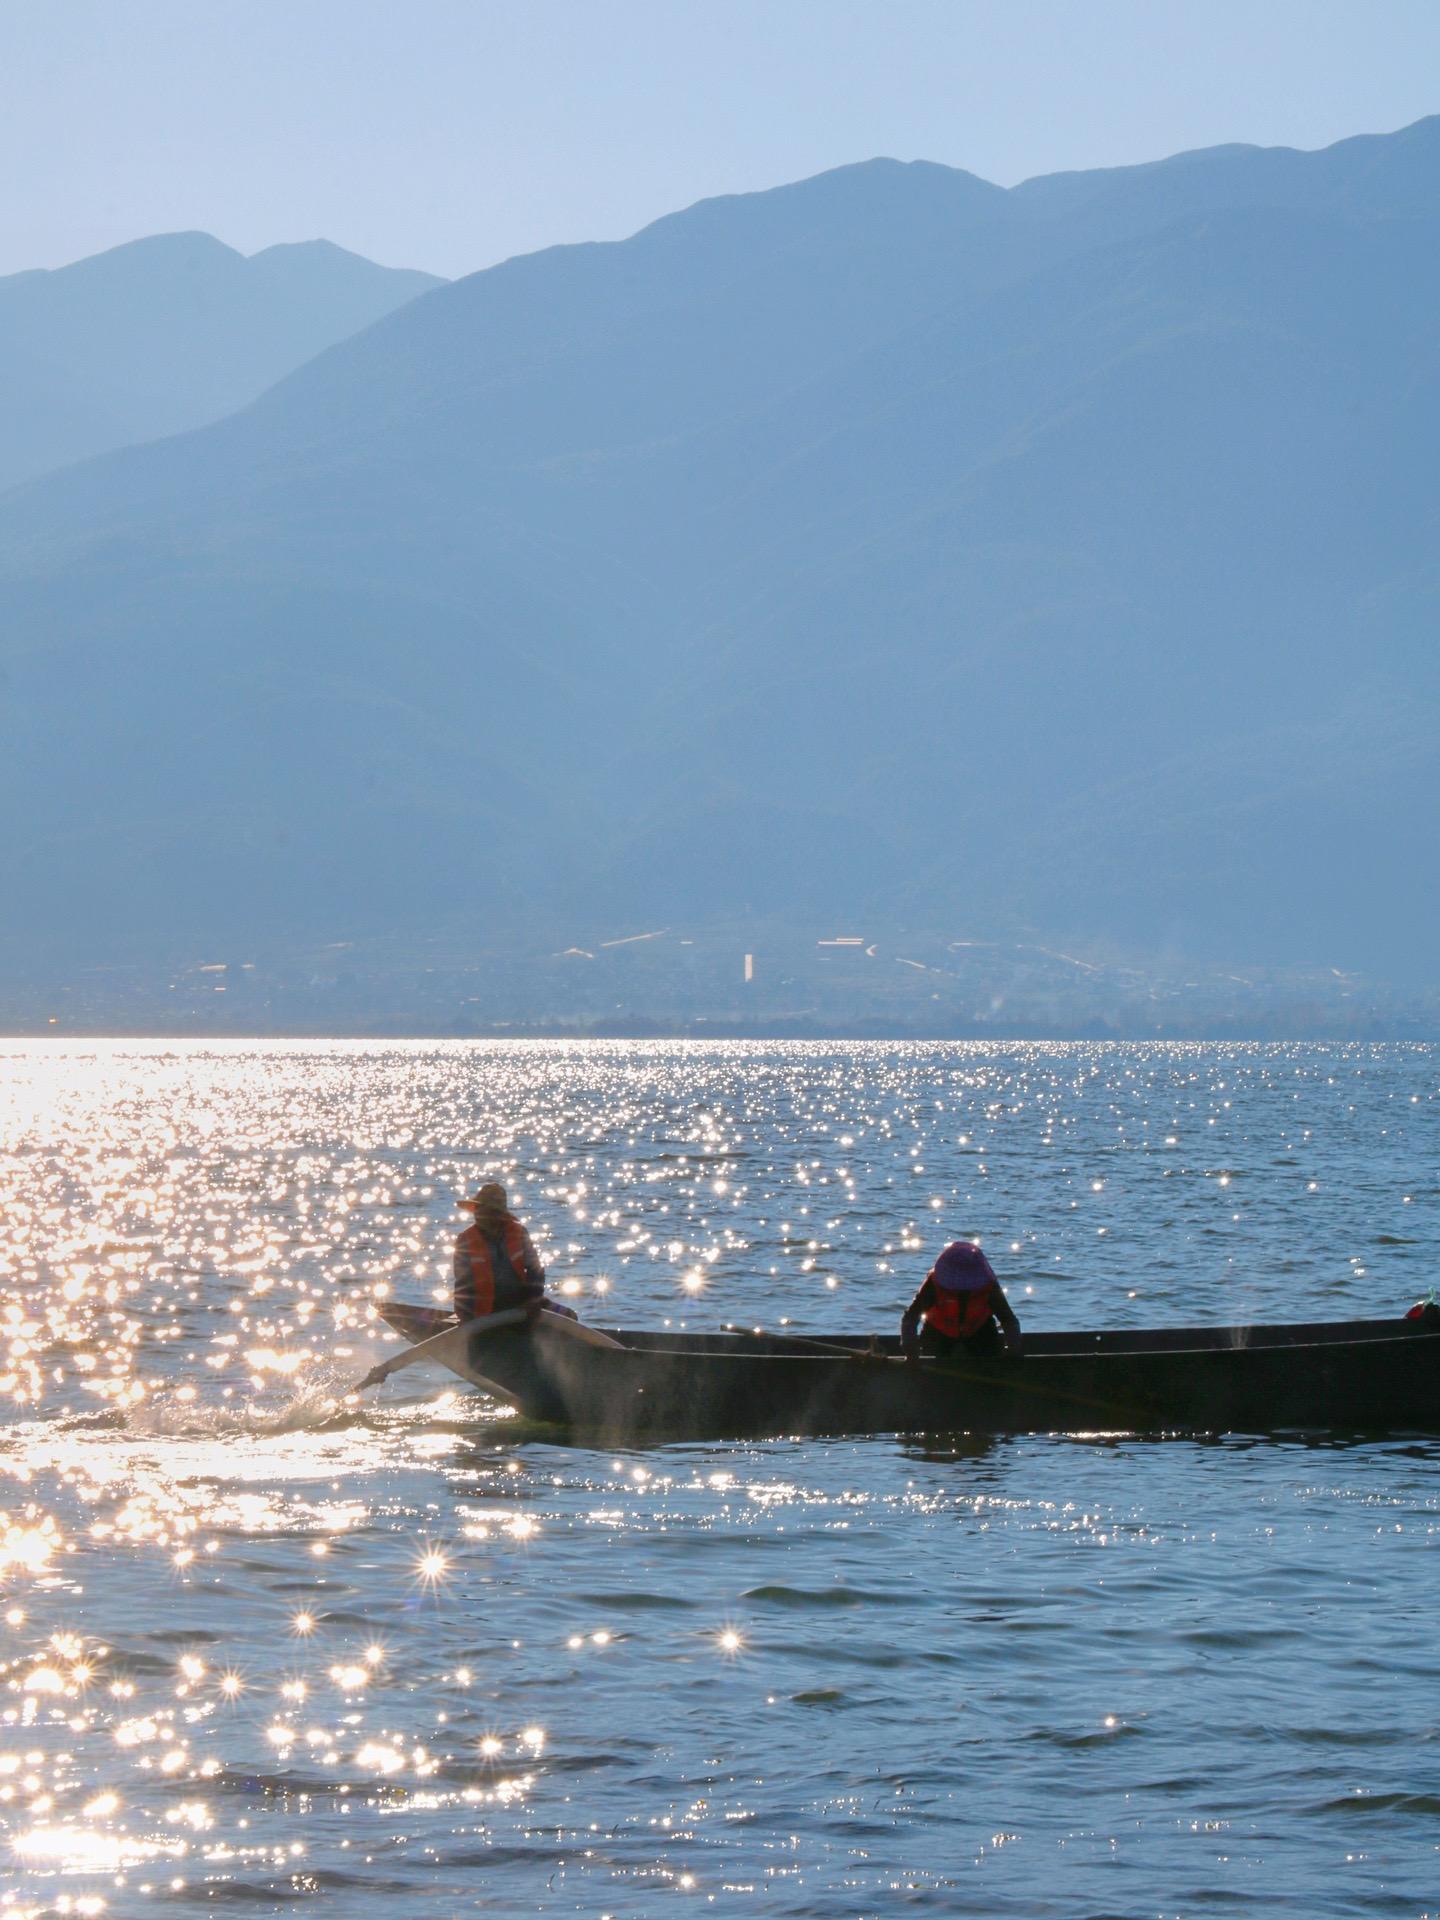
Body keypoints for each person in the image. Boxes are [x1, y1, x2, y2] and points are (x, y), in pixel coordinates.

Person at [453, 1182, 576, 1323]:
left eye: (488, 1211)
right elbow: (462, 1285)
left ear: (499, 1215)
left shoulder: (519, 1233)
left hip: (521, 1302)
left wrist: (534, 1299)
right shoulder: (465, 1240)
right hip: (485, 1309)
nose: (481, 1215)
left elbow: (535, 1270)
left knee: (569, 1316)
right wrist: (466, 1317)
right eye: (479, 1210)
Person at [900, 1239, 1023, 1363]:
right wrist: (911, 1352)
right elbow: (910, 1319)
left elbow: (1008, 1320)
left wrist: (1013, 1351)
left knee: (989, 1345)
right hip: (939, 1334)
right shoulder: (933, 1284)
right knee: (933, 1347)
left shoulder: (988, 1286)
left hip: (980, 1334)